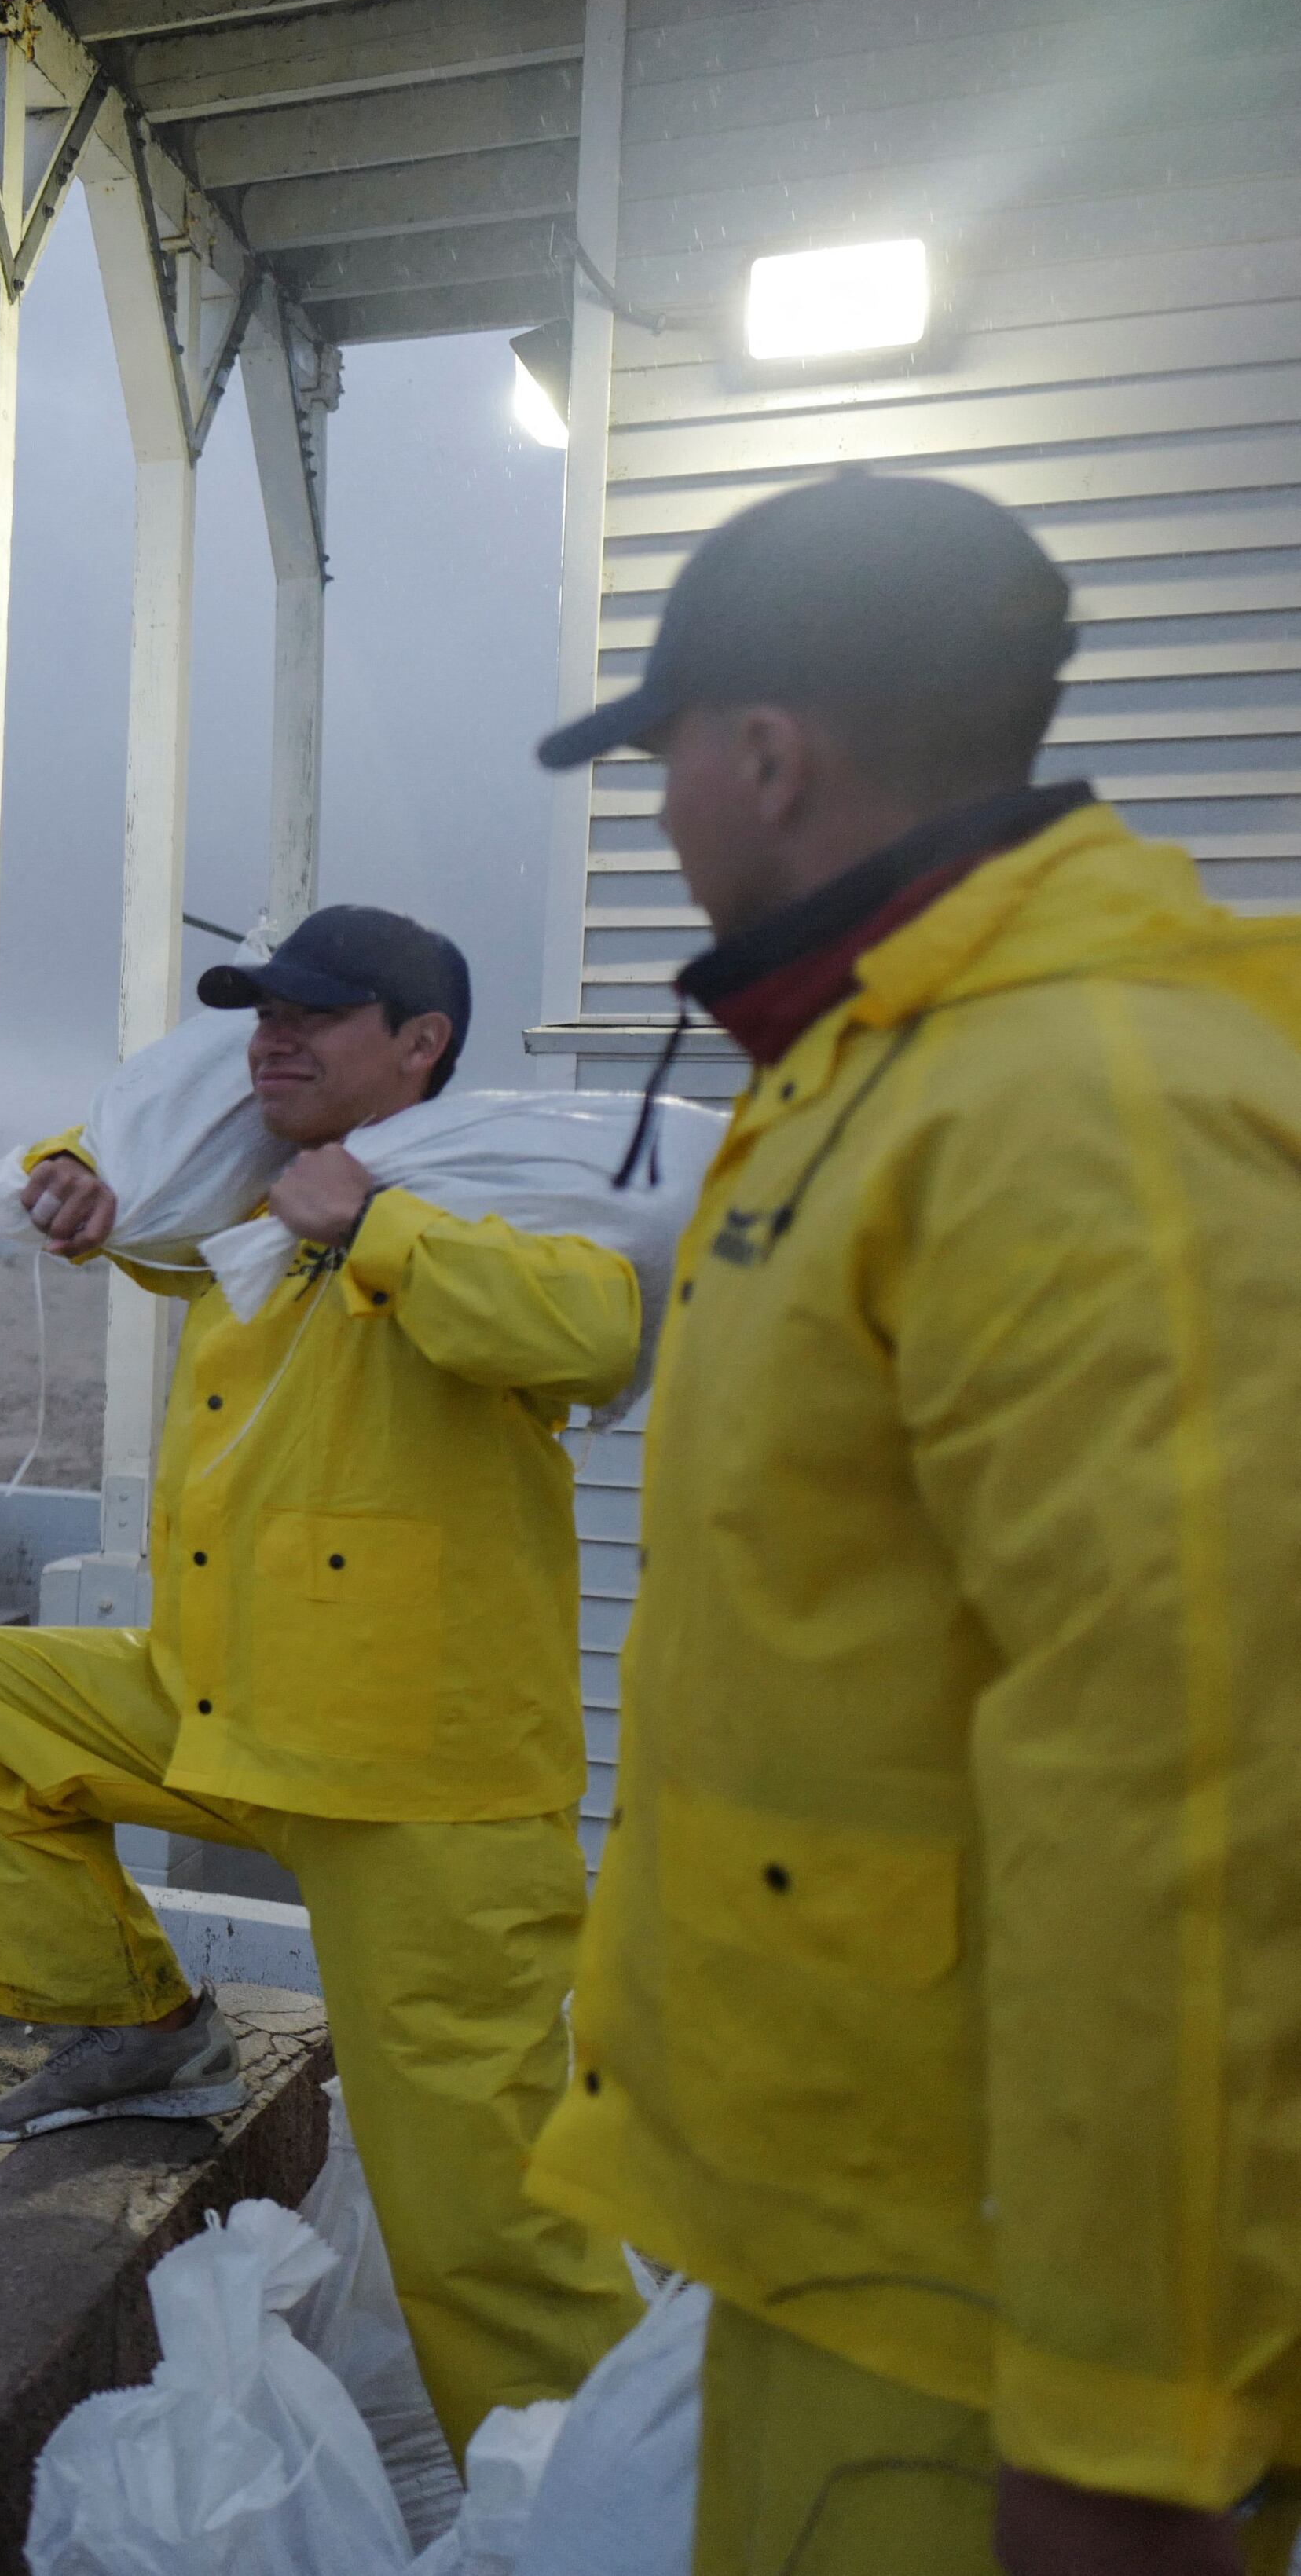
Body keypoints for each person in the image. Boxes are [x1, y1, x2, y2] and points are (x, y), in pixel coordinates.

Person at [519, 474, 1301, 2574]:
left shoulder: (1071, 1106)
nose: (662, 810)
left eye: (667, 757)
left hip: (984, 2335)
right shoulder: (877, 1068)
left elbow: (1195, 1788)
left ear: (765, 757)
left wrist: (1129, 2425)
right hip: (843, 2234)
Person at [0, 904, 643, 2453]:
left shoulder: (488, 1198)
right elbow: (146, 1206)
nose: (269, 1038)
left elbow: (586, 1331)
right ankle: (147, 2025)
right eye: (256, 1014)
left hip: (422, 1797)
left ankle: (579, 2506)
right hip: (230, 1714)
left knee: (480, 2233)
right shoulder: (254, 1210)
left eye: (315, 1013)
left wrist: (378, 1222)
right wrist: (72, 1173)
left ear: (421, 1042)